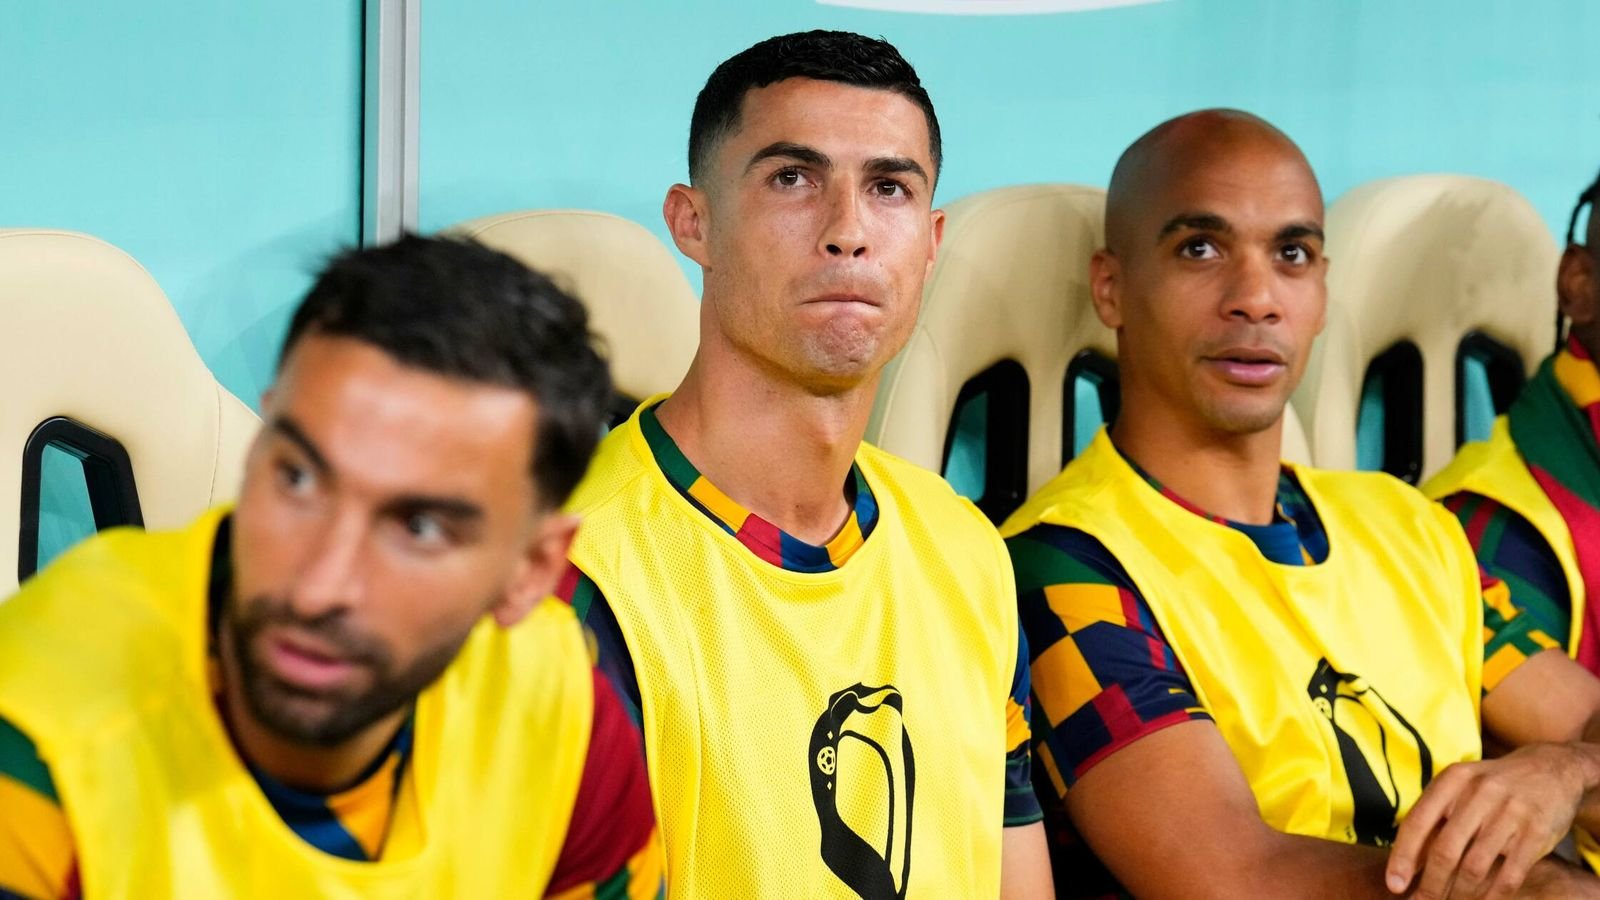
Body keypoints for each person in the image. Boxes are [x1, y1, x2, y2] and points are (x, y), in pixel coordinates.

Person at [1002, 109, 1600, 898]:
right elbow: (1230, 878)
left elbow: (1582, 723)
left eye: (1291, 254)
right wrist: (1543, 889)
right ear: (1110, 288)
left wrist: (1563, 770)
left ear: (1321, 290)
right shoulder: (1062, 561)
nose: (1256, 298)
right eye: (1200, 248)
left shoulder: (1412, 527)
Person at [0, 236, 661, 898]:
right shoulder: (37, 738)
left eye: (420, 529)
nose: (318, 588)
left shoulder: (561, 709)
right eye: (298, 478)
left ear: (530, 571)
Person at [559, 30, 1052, 898]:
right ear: (693, 222)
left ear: (932, 239)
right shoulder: (576, 577)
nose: (849, 232)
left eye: (889, 188)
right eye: (793, 179)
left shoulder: (968, 550)